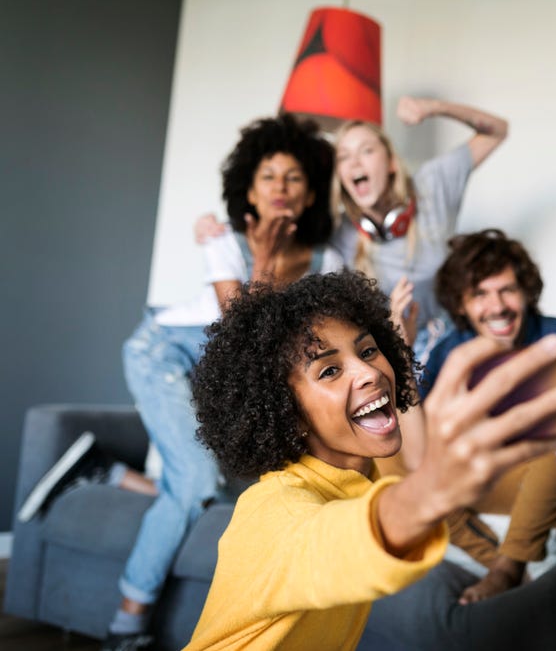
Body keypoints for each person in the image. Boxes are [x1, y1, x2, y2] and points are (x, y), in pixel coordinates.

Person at [19, 114, 340, 651]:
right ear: (249, 191)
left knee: (238, 493)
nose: (281, 188)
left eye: (293, 178)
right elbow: (241, 331)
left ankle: (103, 474)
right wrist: (260, 257)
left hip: (221, 379)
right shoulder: (225, 241)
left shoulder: (324, 260)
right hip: (163, 356)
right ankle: (128, 621)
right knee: (192, 483)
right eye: (268, 177)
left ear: (309, 195)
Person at [183, 271, 556, 651]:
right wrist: (431, 489)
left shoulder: (363, 470)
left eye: (369, 350)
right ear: (285, 411)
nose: (369, 372)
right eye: (329, 371)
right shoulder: (273, 509)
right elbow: (340, 542)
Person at [408, 228, 556, 603]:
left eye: (507, 290)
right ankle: (496, 561)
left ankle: (509, 568)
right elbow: (420, 435)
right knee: (403, 454)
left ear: (525, 294)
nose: (497, 306)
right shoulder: (449, 353)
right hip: (499, 483)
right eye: (480, 295)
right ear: (461, 305)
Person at [331, 96, 508, 362]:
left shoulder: (432, 185)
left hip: (454, 344)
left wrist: (436, 107)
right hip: (391, 360)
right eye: (344, 157)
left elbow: (496, 131)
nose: (355, 163)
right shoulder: (337, 234)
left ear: (391, 163)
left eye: (366, 151)